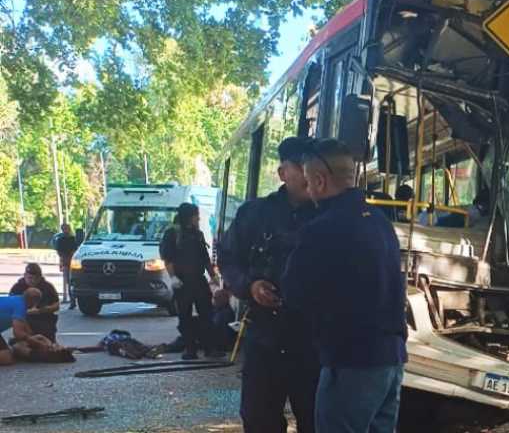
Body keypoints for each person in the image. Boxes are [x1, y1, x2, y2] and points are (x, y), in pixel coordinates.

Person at [282, 139, 407, 433]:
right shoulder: (380, 222)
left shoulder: (322, 229)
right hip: (391, 360)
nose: (308, 190)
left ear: (320, 181)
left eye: (309, 182)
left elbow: (294, 292)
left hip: (350, 362)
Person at [217, 136, 320, 433]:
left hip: (314, 342)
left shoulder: (329, 216)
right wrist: (250, 286)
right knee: (260, 420)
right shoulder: (255, 214)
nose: (306, 174)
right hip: (266, 337)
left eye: (312, 167)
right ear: (282, 173)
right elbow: (228, 259)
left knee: (317, 420)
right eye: (299, 167)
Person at [160, 202, 222, 360]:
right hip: (182, 282)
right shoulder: (172, 234)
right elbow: (167, 258)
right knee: (185, 316)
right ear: (188, 217)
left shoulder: (197, 234)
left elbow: (205, 258)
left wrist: (213, 276)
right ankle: (190, 349)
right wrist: (173, 277)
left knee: (207, 314)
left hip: (198, 280)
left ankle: (210, 348)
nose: (198, 218)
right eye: (196, 215)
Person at [10, 263, 61, 342]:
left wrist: (43, 310)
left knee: (48, 346)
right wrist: (25, 312)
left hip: (45, 322)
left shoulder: (47, 286)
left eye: (36, 278)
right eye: (30, 278)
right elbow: (11, 307)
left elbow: (56, 305)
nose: (33, 281)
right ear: (25, 275)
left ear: (40, 277)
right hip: (24, 322)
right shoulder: (17, 287)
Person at [0, 288, 40, 366]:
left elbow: (26, 327)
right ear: (34, 301)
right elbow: (18, 333)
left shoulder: (17, 299)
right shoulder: (21, 306)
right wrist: (39, 344)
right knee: (6, 358)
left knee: (8, 353)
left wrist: (32, 338)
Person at [54, 224, 79, 309]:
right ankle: (73, 301)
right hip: (67, 262)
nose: (66, 230)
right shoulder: (61, 240)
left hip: (71, 262)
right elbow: (59, 252)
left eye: (66, 229)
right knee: (69, 282)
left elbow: (74, 250)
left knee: (72, 281)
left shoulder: (71, 239)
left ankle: (73, 300)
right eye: (64, 229)